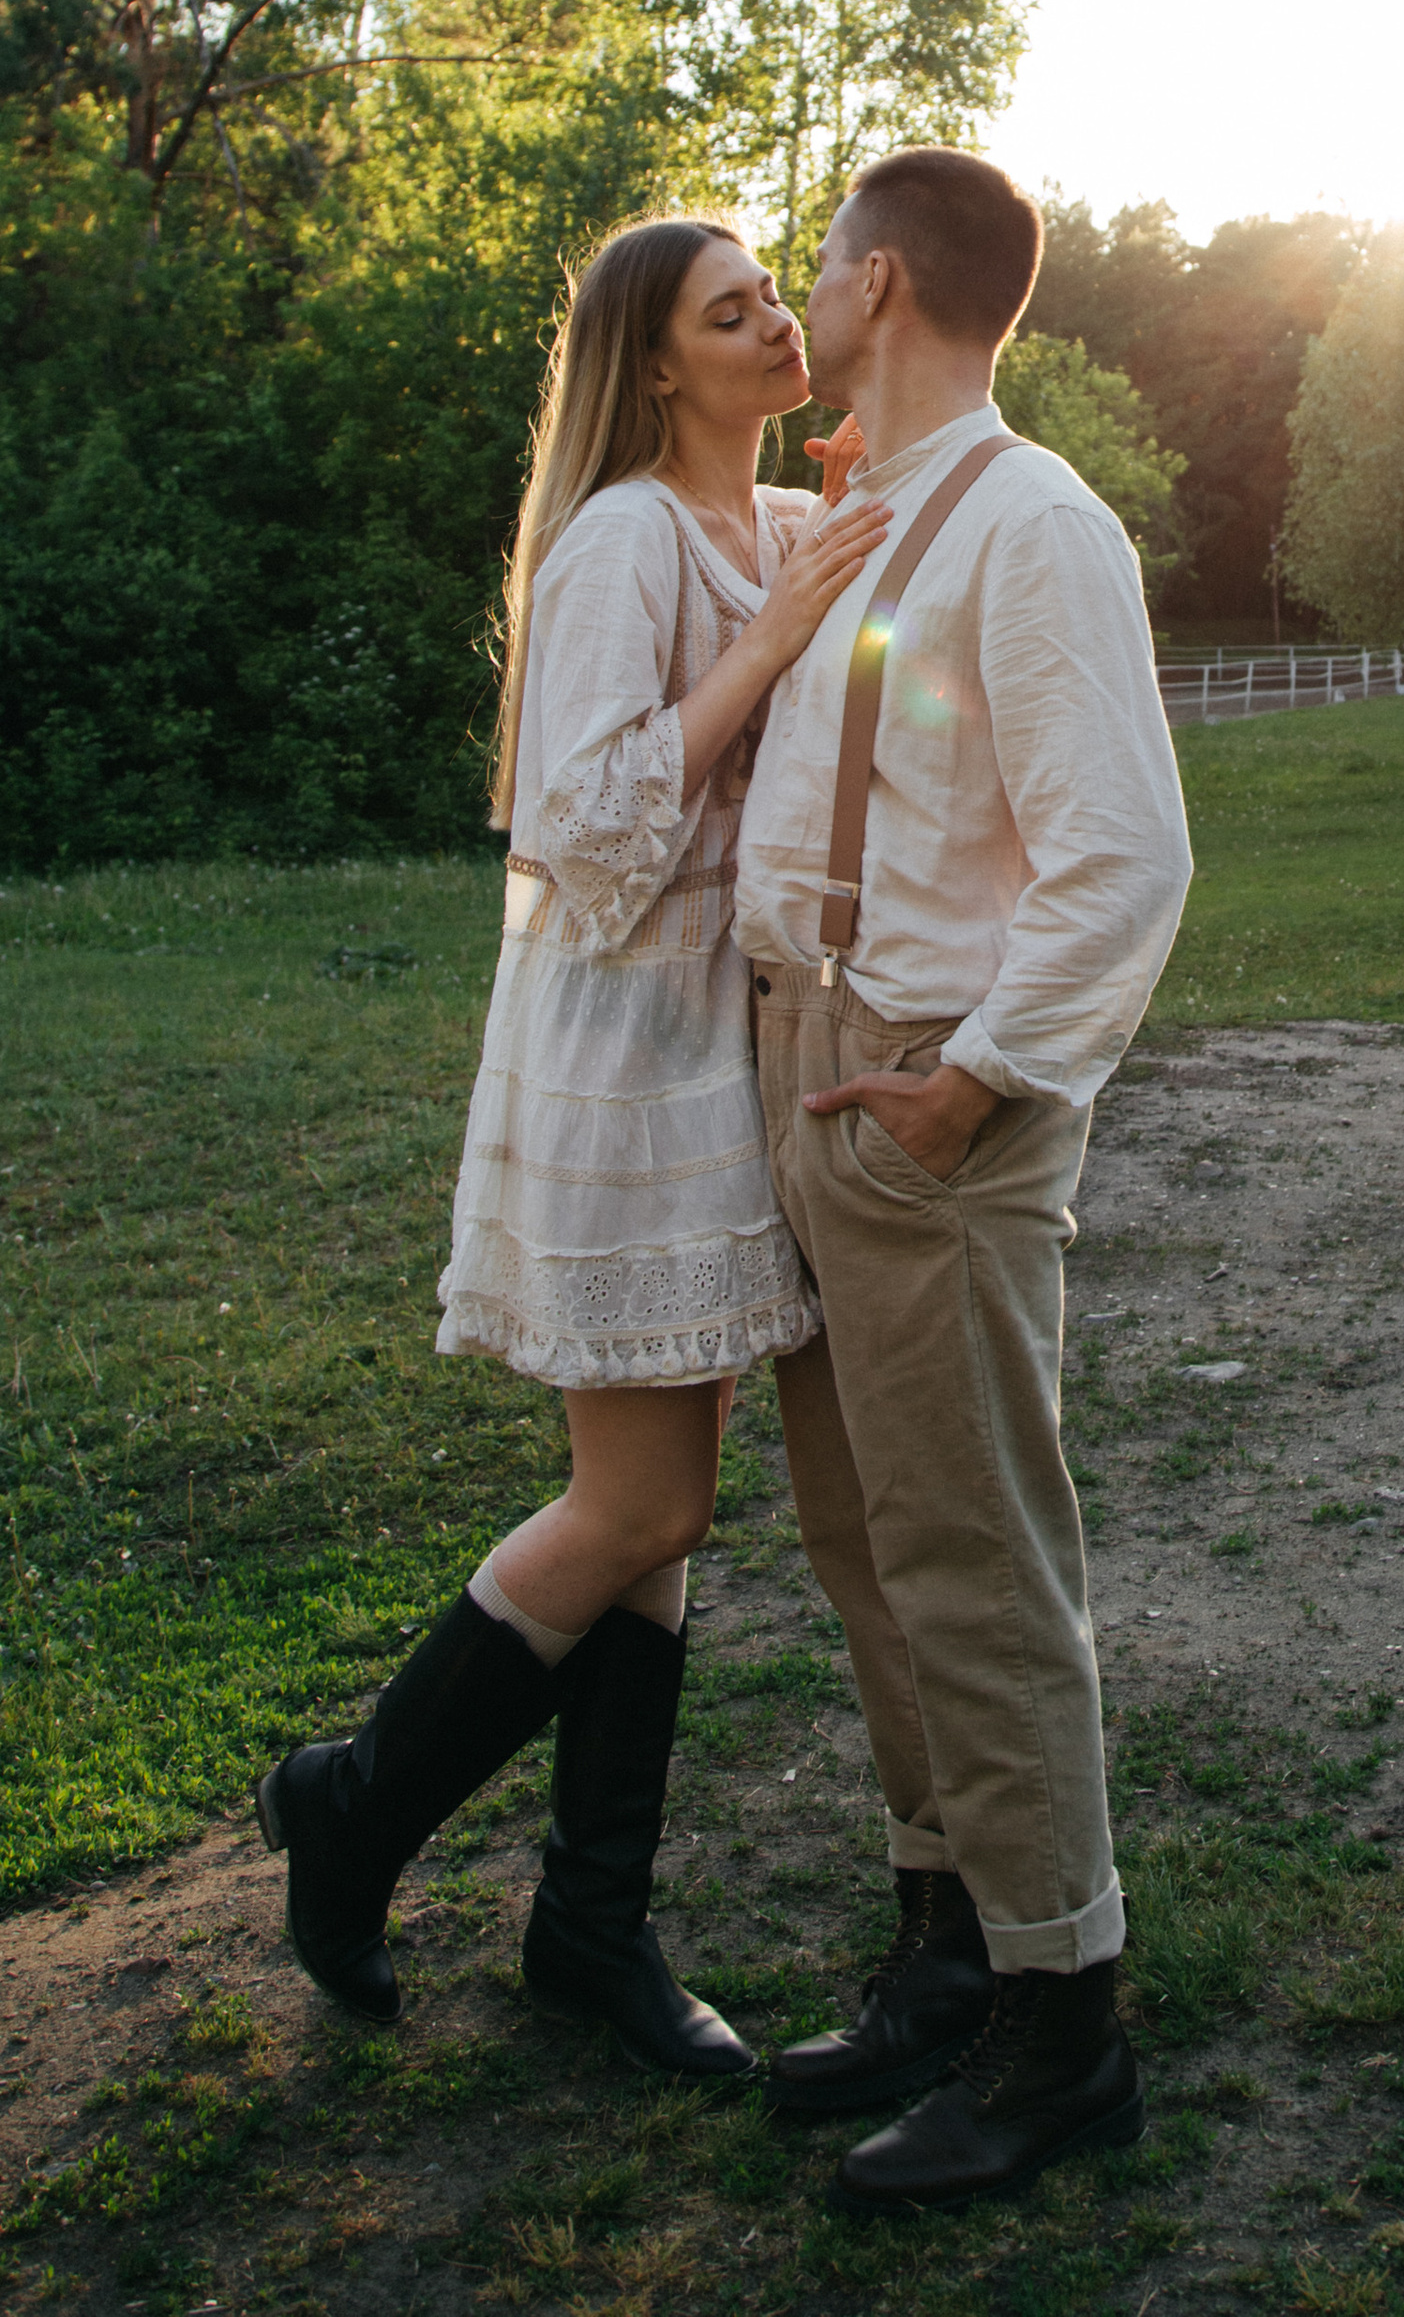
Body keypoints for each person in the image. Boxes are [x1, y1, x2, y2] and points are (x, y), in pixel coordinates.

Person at [256, 214, 892, 2072]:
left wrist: (841, 536)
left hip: (738, 1038)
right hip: (629, 1039)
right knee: (647, 1505)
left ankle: (589, 1931)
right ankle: (352, 1804)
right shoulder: (624, 535)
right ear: (654, 367)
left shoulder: (774, 522)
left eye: (778, 291)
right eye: (731, 312)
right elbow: (583, 827)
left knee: (664, 1502)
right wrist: (774, 633)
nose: (778, 320)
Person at [732, 146, 1193, 2212]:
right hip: (808, 1064)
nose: (801, 287)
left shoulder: (1031, 525)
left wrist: (980, 1076)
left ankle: (1058, 2017)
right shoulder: (860, 519)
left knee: (977, 1556)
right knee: (862, 1540)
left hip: (931, 1093)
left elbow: (1124, 857)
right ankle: (938, 1945)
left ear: (885, 281)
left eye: (816, 258)